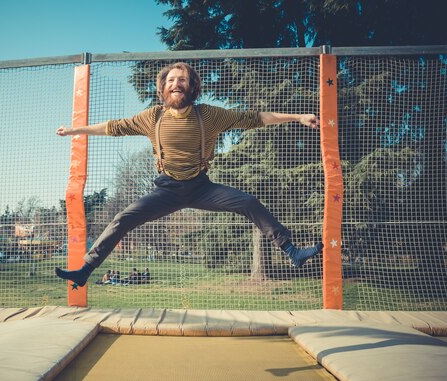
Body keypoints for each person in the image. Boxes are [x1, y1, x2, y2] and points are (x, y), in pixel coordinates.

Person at [56, 62, 323, 287]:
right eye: (171, 80)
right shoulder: (153, 117)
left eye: (182, 79)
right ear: (163, 87)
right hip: (166, 191)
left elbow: (255, 118)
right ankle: (85, 271)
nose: (176, 83)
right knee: (122, 219)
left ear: (191, 86)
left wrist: (297, 117)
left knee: (248, 202)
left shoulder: (208, 115)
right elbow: (115, 127)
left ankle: (292, 252)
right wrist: (75, 130)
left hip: (201, 188)